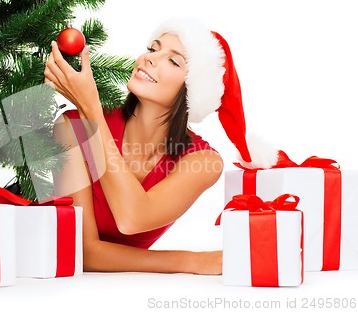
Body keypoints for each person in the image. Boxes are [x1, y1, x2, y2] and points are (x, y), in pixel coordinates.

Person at [43, 17, 277, 275]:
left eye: (173, 60)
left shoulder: (203, 161)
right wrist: (190, 261)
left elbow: (132, 218)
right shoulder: (72, 127)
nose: (149, 58)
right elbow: (83, 251)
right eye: (153, 49)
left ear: (192, 90)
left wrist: (91, 111)